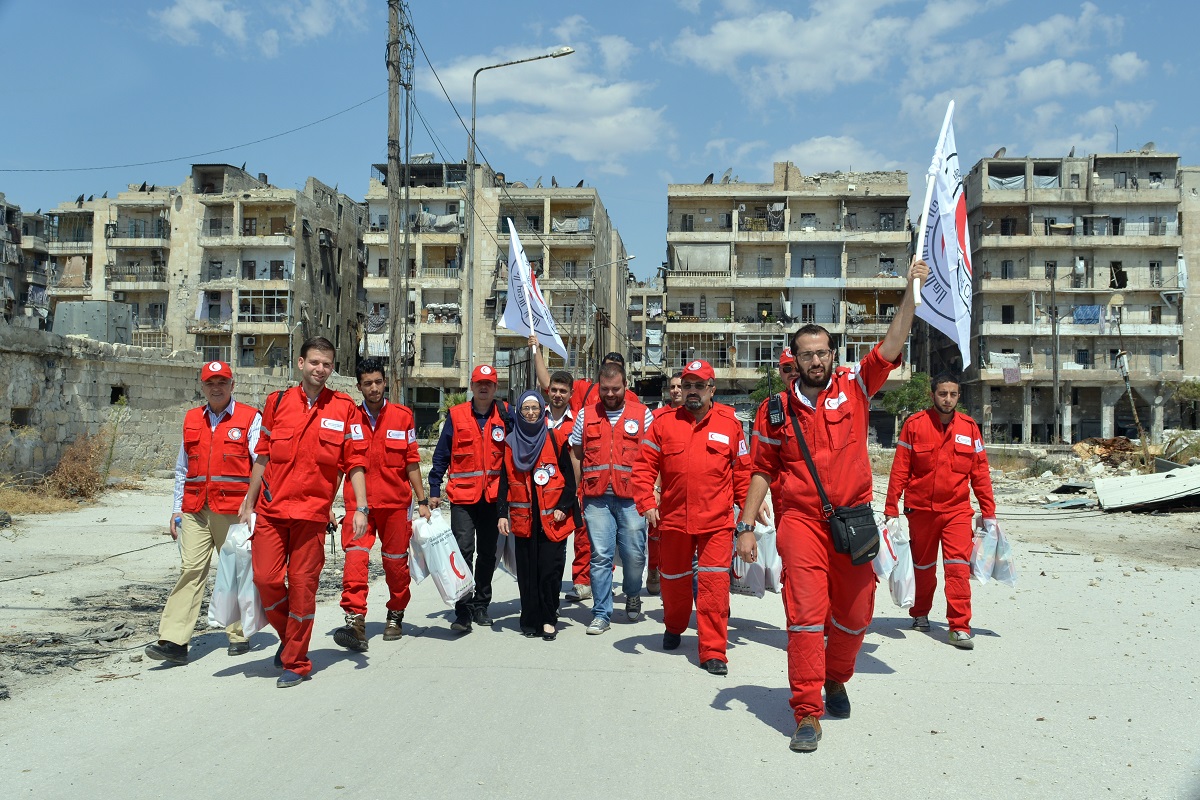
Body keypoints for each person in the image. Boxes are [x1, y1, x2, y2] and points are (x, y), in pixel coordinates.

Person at [737, 257, 930, 752]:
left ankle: (837, 676)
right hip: (800, 522)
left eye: (823, 353)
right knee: (803, 614)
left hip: (854, 522)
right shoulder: (774, 411)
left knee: (855, 614)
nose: (816, 361)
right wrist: (744, 525)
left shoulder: (857, 387)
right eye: (808, 355)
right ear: (794, 359)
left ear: (832, 355)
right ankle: (806, 712)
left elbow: (892, 342)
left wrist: (911, 290)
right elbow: (761, 468)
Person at [240, 337, 368, 688]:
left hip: (312, 515)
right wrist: (249, 499)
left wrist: (360, 508)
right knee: (265, 579)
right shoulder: (276, 402)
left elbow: (355, 461)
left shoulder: (344, 408)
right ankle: (289, 634)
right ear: (300, 363)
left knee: (302, 587)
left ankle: (296, 661)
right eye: (314, 362)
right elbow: (262, 455)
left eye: (327, 364)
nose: (320, 369)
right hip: (272, 510)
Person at [633, 359, 759, 675]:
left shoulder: (730, 424)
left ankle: (713, 650)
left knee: (713, 586)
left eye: (698, 386)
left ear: (711, 389)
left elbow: (744, 475)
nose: (692, 391)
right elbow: (643, 466)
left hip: (716, 523)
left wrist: (746, 523)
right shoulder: (662, 423)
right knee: (673, 582)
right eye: (687, 385)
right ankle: (674, 626)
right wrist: (646, 500)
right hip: (673, 520)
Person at [146, 361, 261, 666]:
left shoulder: (250, 418)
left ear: (232, 385)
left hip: (233, 510)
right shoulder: (191, 419)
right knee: (191, 570)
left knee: (234, 570)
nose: (216, 387)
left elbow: (260, 467)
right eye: (210, 383)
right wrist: (175, 510)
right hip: (196, 509)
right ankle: (174, 641)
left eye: (222, 382)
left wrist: (252, 506)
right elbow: (182, 469)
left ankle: (238, 634)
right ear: (203, 386)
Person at [884, 373, 996, 650]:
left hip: (957, 511)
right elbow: (900, 469)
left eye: (953, 394)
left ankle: (959, 626)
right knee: (923, 567)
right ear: (933, 395)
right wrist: (891, 510)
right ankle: (920, 613)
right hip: (920, 510)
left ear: (959, 396)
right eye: (943, 394)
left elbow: (980, 473)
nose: (948, 399)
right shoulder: (914, 425)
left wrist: (989, 512)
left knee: (957, 567)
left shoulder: (970, 428)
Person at [332, 358, 431, 653]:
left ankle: (395, 614)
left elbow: (412, 461)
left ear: (385, 382)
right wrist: (327, 502)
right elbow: (340, 464)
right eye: (367, 383)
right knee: (355, 557)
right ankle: (355, 621)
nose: (373, 388)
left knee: (395, 563)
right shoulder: (350, 419)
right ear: (359, 386)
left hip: (395, 505)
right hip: (358, 506)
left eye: (378, 382)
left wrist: (422, 500)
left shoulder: (403, 416)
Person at [569, 361, 653, 634]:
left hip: (632, 498)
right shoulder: (586, 415)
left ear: (625, 386)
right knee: (601, 556)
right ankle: (601, 613)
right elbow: (577, 452)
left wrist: (655, 491)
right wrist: (576, 487)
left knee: (634, 555)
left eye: (615, 389)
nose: (610, 394)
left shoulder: (643, 414)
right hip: (596, 498)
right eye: (605, 389)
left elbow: (654, 457)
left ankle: (631, 593)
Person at [428, 364, 509, 633]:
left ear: (496, 387)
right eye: (479, 383)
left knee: (488, 553)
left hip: (494, 497)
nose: (483, 387)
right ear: (471, 387)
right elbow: (441, 455)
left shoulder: (506, 415)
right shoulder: (457, 415)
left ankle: (481, 605)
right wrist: (434, 490)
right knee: (462, 552)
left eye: (489, 383)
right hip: (463, 497)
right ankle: (462, 610)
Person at [498, 391, 580, 640]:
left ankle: (548, 618)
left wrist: (563, 507)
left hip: (552, 519)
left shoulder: (554, 439)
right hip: (524, 520)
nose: (531, 413)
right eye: (526, 409)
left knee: (549, 572)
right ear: (519, 413)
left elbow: (570, 480)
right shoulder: (511, 443)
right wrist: (502, 514)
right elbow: (503, 481)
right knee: (527, 573)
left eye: (535, 408)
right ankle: (530, 618)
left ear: (542, 410)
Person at [544, 368, 592, 604]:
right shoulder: (536, 418)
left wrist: (580, 488)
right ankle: (546, 584)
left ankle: (582, 581)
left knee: (582, 537)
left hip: (576, 489)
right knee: (550, 542)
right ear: (548, 391)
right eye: (554, 390)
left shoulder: (579, 421)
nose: (557, 395)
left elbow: (583, 456)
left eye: (563, 391)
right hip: (545, 493)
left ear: (571, 393)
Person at [646, 371, 684, 595]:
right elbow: (652, 455)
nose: (676, 391)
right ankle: (653, 569)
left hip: (684, 486)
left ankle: (678, 575)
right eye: (673, 387)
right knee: (655, 531)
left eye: (680, 386)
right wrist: (655, 486)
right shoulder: (658, 416)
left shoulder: (695, 413)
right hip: (661, 485)